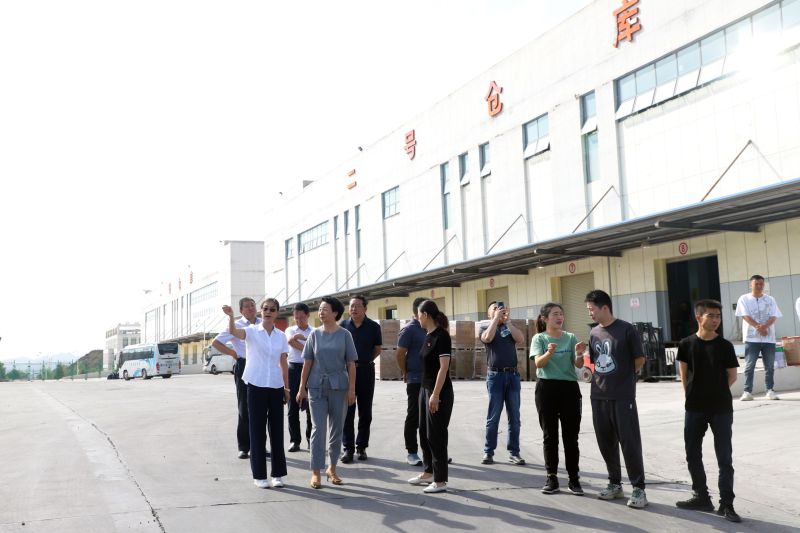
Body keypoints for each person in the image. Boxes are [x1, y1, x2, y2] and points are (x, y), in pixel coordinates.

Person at [675, 299, 741, 523]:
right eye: (710, 315)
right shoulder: (686, 344)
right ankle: (701, 496)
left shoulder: (725, 346)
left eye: (718, 316)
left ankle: (727, 503)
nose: (715, 320)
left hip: (721, 408)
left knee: (724, 457)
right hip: (694, 408)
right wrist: (690, 395)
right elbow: (684, 374)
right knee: (692, 453)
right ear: (698, 317)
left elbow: (732, 376)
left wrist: (716, 391)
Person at [585, 289, 648, 509]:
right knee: (605, 442)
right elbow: (593, 361)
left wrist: (624, 378)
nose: (590, 313)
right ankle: (614, 483)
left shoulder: (626, 329)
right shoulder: (594, 333)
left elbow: (639, 359)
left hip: (622, 396)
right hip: (598, 395)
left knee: (629, 442)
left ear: (605, 307)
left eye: (592, 309)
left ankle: (639, 489)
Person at [222, 298, 289, 489]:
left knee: (276, 431)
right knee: (257, 431)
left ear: (277, 313)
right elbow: (234, 332)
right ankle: (259, 476)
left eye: (272, 309)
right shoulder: (251, 331)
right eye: (265, 308)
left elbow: (283, 363)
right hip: (255, 385)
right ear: (261, 311)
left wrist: (286, 387)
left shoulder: (281, 336)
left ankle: (278, 475)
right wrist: (231, 317)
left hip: (275, 385)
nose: (268, 311)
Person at [297, 297, 357, 489]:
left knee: (337, 429)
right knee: (318, 428)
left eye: (325, 309)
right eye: (320, 309)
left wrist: (352, 390)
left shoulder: (345, 335)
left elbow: (351, 364)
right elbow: (307, 362)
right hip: (317, 386)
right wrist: (301, 388)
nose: (321, 312)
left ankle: (332, 468)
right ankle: (316, 471)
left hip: (340, 387)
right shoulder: (314, 334)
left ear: (335, 313)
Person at [530, 302, 587, 495]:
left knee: (571, 436)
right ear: (545, 318)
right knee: (550, 435)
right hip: (546, 388)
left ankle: (574, 479)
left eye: (561, 314)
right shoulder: (539, 338)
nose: (559, 317)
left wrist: (579, 353)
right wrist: (549, 352)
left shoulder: (570, 337)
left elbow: (578, 364)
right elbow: (538, 363)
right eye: (555, 314)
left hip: (569, 389)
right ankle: (552, 477)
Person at [407, 299, 454, 493]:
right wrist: (426, 393)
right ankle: (428, 472)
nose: (417, 318)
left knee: (436, 435)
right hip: (424, 390)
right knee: (424, 433)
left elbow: (444, 368)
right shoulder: (428, 335)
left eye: (419, 315)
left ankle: (440, 480)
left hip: (438, 391)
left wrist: (435, 394)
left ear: (426, 315)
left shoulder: (442, 336)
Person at [212, 297, 260, 460]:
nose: (251, 308)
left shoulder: (262, 323)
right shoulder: (236, 325)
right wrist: (233, 353)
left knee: (261, 408)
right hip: (244, 364)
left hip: (261, 365)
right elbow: (216, 342)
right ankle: (244, 447)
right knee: (244, 407)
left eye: (252, 305)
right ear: (241, 310)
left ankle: (259, 445)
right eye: (246, 306)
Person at [479, 301, 526, 466]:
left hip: (512, 376)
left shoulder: (509, 327)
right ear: (489, 314)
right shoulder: (485, 328)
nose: (499, 311)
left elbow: (520, 339)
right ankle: (488, 451)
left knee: (514, 417)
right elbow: (487, 338)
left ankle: (514, 452)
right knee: (493, 417)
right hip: (495, 377)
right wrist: (495, 320)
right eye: (495, 309)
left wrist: (508, 321)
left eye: (501, 308)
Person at [339, 295, 382, 462]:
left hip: (365, 371)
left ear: (365, 308)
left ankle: (361, 447)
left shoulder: (373, 327)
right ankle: (348, 448)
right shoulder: (343, 326)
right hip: (346, 372)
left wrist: (364, 361)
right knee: (347, 411)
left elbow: (377, 349)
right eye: (351, 306)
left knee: (365, 411)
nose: (353, 309)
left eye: (357, 306)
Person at [735, 274, 782, 401]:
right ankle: (747, 392)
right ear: (750, 285)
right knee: (749, 366)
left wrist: (765, 327)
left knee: (769, 366)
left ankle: (770, 390)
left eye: (762, 284)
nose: (760, 286)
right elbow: (745, 315)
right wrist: (758, 327)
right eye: (757, 284)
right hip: (751, 339)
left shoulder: (770, 299)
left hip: (769, 338)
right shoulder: (744, 299)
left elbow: (774, 315)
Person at [396, 297, 427, 466]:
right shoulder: (409, 330)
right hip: (415, 379)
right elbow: (400, 354)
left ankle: (432, 451)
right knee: (414, 415)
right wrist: (405, 372)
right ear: (419, 311)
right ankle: (412, 452)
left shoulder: (430, 327)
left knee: (432, 417)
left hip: (431, 379)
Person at [284, 303, 314, 452]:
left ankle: (311, 440)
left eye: (302, 317)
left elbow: (317, 348)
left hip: (311, 369)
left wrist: (302, 340)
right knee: (292, 407)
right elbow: (291, 341)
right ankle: (295, 440)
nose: (299, 320)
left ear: (308, 315)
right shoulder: (290, 329)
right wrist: (308, 350)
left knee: (311, 407)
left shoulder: (314, 331)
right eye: (296, 318)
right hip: (293, 369)